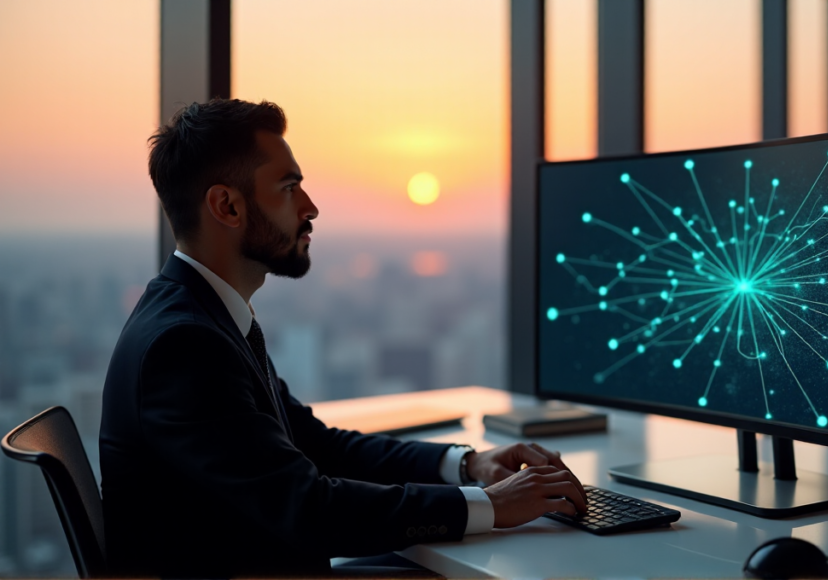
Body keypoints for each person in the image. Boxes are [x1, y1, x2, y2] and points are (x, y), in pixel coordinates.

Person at [99, 99, 587, 578]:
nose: (311, 208)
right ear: (227, 205)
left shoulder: (207, 317)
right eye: (289, 188)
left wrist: (468, 465)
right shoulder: (186, 345)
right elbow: (308, 509)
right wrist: (490, 506)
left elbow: (319, 447)